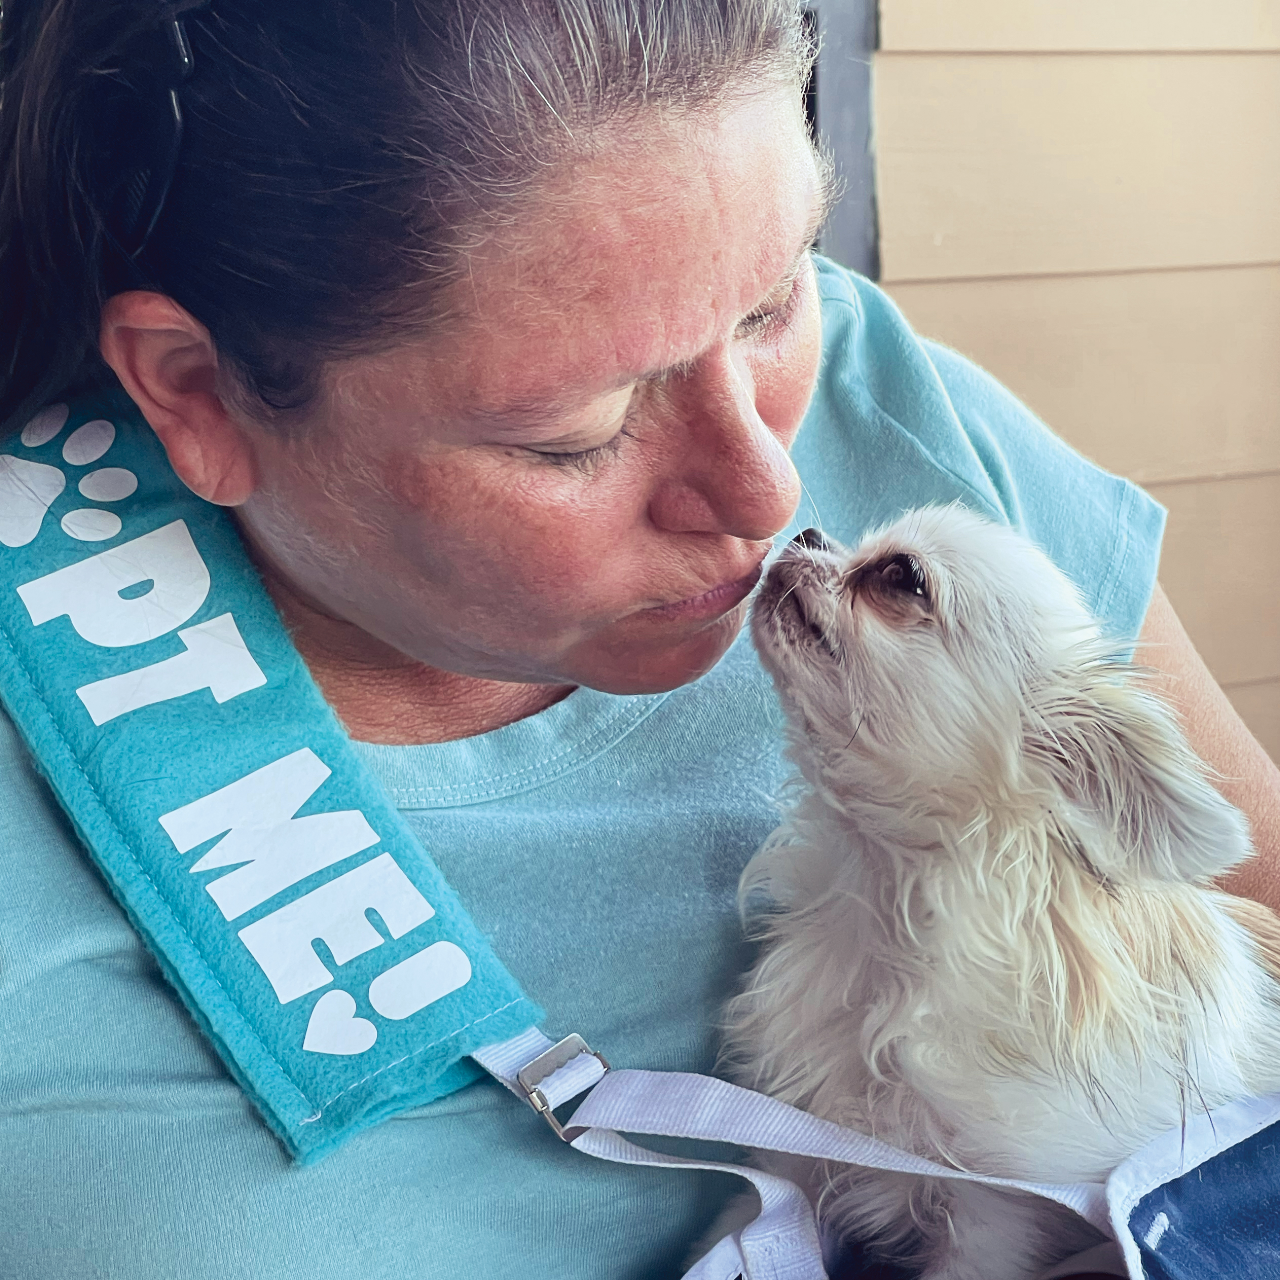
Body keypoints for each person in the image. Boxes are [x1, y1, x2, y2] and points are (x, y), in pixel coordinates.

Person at [2, 2, 1278, 1277]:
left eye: (776, 302)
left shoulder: (892, 398)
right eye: (575, 432)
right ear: (193, 388)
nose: (773, 495)